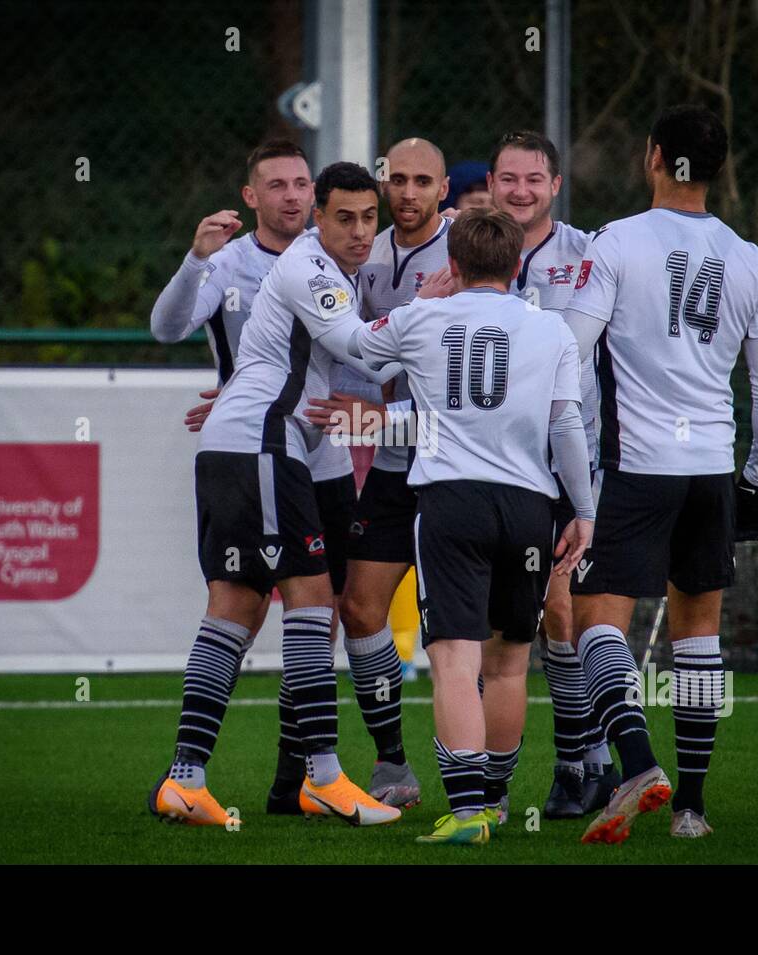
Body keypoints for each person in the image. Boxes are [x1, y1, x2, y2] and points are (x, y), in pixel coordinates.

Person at [146, 162, 402, 828]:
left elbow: (351, 362)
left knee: (235, 604)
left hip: (262, 444)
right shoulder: (308, 266)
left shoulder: (332, 269)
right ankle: (321, 774)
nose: (357, 231)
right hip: (262, 443)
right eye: (343, 216)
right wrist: (438, 313)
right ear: (318, 218)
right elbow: (357, 348)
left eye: (368, 218)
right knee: (311, 599)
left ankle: (186, 778)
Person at [562, 104, 758, 842]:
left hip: (638, 464)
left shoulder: (617, 243)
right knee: (698, 633)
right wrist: (755, 477)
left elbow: (572, 349)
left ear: (653, 156)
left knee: (597, 617)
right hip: (713, 468)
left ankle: (635, 763)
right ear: (717, 168)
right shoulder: (749, 258)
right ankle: (692, 808)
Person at [351, 208, 595, 844]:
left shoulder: (423, 316)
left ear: (450, 266)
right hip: (529, 505)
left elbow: (359, 349)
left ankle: (466, 815)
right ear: (517, 267)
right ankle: (497, 798)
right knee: (511, 660)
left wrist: (422, 299)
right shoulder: (553, 330)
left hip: (451, 502)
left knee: (455, 659)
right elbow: (568, 426)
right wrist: (585, 510)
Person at [305, 137, 453, 808]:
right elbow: (347, 354)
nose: (408, 192)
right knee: (360, 605)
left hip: (459, 467)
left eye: (424, 180)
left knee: (481, 630)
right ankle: (392, 762)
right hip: (396, 465)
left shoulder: (468, 253)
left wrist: (377, 410)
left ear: (445, 189)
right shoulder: (356, 256)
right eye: (398, 178)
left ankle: (564, 765)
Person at [487, 130, 617, 818]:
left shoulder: (589, 253)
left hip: (569, 459)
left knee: (560, 610)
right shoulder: (471, 250)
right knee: (505, 624)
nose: (520, 191)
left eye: (533, 179)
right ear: (492, 182)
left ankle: (577, 764)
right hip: (494, 462)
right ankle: (540, 769)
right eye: (508, 179)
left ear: (555, 185)